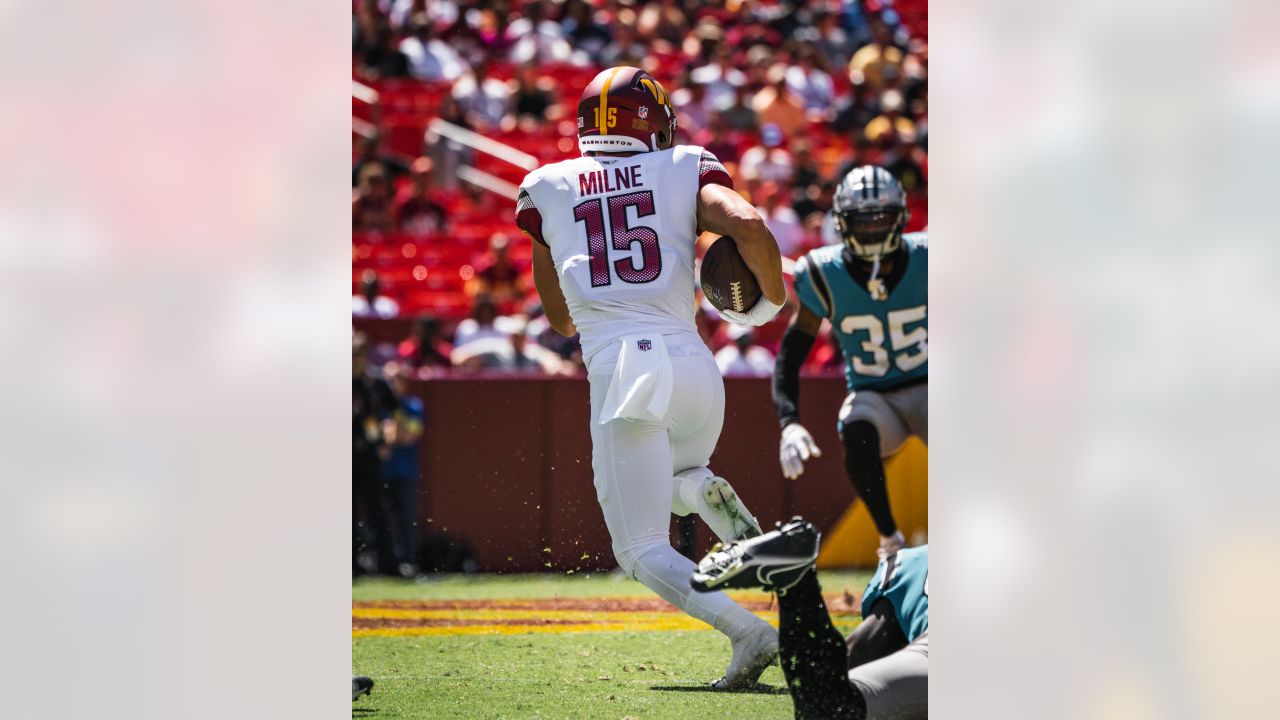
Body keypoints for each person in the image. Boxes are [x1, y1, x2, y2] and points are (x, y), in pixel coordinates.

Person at [517, 66, 787, 690]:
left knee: (638, 550)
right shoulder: (684, 164)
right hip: (695, 369)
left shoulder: (546, 185)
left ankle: (749, 631)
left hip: (626, 374)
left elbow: (559, 319)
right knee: (673, 481)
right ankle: (708, 500)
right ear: (655, 120)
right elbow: (748, 225)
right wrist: (766, 306)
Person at [772, 167, 927, 559]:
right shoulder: (824, 273)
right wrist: (789, 423)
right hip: (875, 395)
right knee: (856, 428)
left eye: (882, 219)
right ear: (843, 223)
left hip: (930, 385)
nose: (873, 230)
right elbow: (790, 355)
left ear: (900, 218)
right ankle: (890, 542)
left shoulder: (929, 258)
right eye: (864, 220)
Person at [691, 518, 928, 719]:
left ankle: (797, 582)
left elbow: (863, 647)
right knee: (831, 709)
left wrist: (824, 685)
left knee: (829, 701)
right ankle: (797, 582)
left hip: (915, 575)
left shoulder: (914, 560)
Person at [380, 362, 425, 578]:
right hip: (381, 473)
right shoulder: (379, 406)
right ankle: (386, 563)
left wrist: (392, 431)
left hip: (405, 472)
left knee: (407, 519)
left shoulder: (414, 406)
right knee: (383, 520)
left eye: (397, 380)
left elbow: (408, 436)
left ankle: (409, 562)